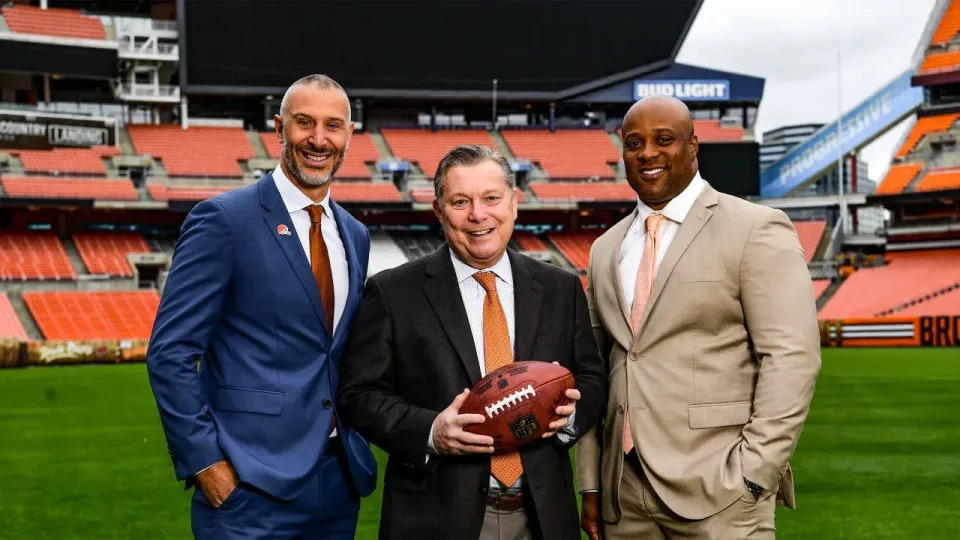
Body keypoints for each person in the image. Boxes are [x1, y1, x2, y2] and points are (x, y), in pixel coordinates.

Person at [576, 95, 821, 540]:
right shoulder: (605, 249)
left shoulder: (754, 228)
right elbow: (595, 369)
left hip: (720, 490)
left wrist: (753, 473)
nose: (647, 152)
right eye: (634, 143)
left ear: (693, 146)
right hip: (624, 494)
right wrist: (592, 481)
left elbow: (792, 357)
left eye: (663, 139)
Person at [146, 74, 376, 540]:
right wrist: (205, 461)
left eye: (333, 126)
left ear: (350, 135)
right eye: (304, 123)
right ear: (278, 128)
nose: (318, 139)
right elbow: (169, 352)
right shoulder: (225, 220)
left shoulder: (354, 233)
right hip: (249, 487)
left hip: (338, 483)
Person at [338, 144, 608, 540]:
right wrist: (431, 430)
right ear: (439, 211)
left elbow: (592, 377)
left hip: (542, 517)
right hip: (436, 518)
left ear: (514, 203)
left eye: (491, 198)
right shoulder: (393, 292)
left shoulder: (560, 287)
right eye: (460, 201)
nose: (478, 215)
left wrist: (569, 417)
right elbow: (358, 395)